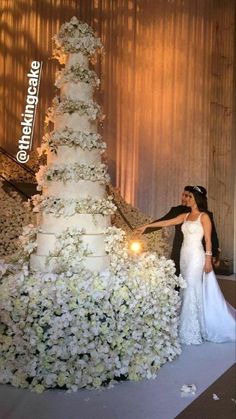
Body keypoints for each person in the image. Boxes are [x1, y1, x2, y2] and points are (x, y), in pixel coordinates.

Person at [137, 186, 235, 345]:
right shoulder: (185, 215)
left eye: (189, 196)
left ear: (196, 198)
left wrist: (209, 259)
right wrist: (147, 226)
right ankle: (187, 321)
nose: (186, 199)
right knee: (185, 287)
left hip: (197, 255)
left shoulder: (204, 217)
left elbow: (209, 240)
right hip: (184, 255)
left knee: (191, 287)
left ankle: (191, 329)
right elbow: (167, 222)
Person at [144, 185, 220, 275]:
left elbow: (212, 236)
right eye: (184, 195)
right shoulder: (178, 211)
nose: (185, 198)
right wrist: (145, 228)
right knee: (178, 278)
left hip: (197, 252)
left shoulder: (205, 215)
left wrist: (215, 255)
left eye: (188, 196)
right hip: (180, 250)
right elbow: (164, 222)